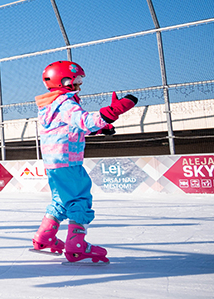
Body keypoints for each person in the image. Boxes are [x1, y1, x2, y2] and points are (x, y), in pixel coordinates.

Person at [31, 61, 137, 264]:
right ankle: (76, 245)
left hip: (54, 162)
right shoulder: (65, 102)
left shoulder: (50, 104)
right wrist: (111, 113)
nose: (79, 85)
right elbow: (83, 121)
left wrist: (99, 128)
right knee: (80, 198)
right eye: (76, 80)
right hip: (68, 161)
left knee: (61, 200)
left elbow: (69, 127)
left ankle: (44, 237)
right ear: (63, 81)